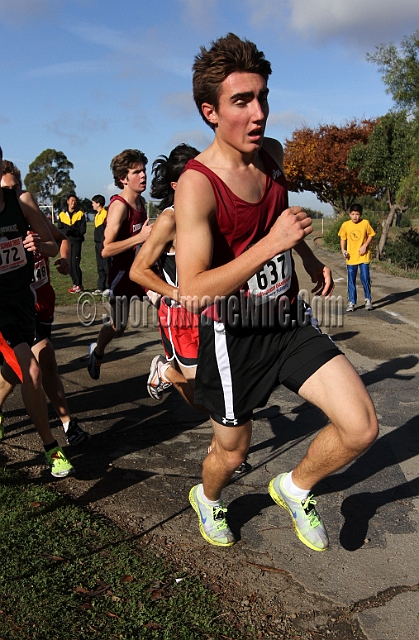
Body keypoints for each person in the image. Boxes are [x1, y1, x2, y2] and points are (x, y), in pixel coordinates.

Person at [174, 34, 378, 549]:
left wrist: (308, 257)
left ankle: (294, 486)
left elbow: (281, 222)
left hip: (286, 319)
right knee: (232, 453)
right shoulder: (197, 184)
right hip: (233, 334)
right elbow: (193, 291)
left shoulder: (272, 154)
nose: (259, 112)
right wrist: (271, 247)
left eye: (262, 96)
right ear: (211, 112)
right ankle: (209, 499)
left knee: (361, 427)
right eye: (241, 101)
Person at [0, 164, 89, 446]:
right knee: (43, 360)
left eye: (13, 187)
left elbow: (59, 240)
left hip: (39, 300)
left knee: (19, 368)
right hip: (16, 303)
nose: (9, 192)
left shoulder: (29, 213)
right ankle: (66, 425)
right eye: (6, 187)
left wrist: (57, 256)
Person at [130, 144, 203, 406]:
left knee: (227, 394)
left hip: (213, 310)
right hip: (181, 316)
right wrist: (176, 294)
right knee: (202, 400)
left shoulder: (209, 210)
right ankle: (165, 370)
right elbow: (138, 270)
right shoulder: (169, 220)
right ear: (175, 185)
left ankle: (220, 448)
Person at [87, 149, 152, 380]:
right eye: (137, 172)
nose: (143, 175)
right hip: (122, 274)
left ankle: (172, 363)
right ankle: (97, 352)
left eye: (144, 170)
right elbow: (106, 249)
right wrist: (140, 238)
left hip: (142, 271)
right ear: (123, 178)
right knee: (118, 327)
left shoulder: (142, 201)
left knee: (166, 304)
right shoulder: (119, 206)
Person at [338, 203, 375, 312]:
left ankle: (368, 299)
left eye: (357, 214)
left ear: (360, 214)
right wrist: (343, 250)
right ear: (349, 214)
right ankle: (352, 302)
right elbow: (342, 238)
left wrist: (365, 245)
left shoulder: (365, 223)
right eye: (353, 214)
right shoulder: (346, 225)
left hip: (363, 256)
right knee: (351, 280)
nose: (355, 216)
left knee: (365, 278)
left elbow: (371, 235)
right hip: (351, 257)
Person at [58, 193, 86, 293]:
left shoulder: (80, 214)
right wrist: (67, 231)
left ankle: (79, 285)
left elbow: (82, 230)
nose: (73, 203)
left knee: (75, 263)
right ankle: (75, 284)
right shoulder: (62, 215)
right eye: (72, 201)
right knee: (68, 263)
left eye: (75, 201)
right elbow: (60, 230)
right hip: (66, 242)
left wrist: (72, 231)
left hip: (77, 242)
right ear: (68, 202)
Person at [91, 194, 110, 296]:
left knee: (106, 265)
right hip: (97, 243)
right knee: (100, 266)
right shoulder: (97, 215)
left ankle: (109, 286)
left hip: (104, 243)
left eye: (93, 203)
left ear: (98, 203)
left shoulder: (105, 214)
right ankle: (101, 287)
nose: (92, 205)